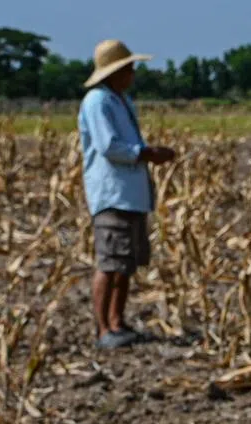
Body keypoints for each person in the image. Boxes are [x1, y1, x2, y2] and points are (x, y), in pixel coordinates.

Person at [79, 39, 176, 350]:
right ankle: (102, 329)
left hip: (131, 195)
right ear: (115, 71)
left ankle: (118, 323)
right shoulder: (98, 102)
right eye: (129, 68)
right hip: (112, 194)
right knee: (109, 264)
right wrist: (148, 154)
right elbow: (109, 147)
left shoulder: (121, 100)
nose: (133, 73)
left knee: (126, 264)